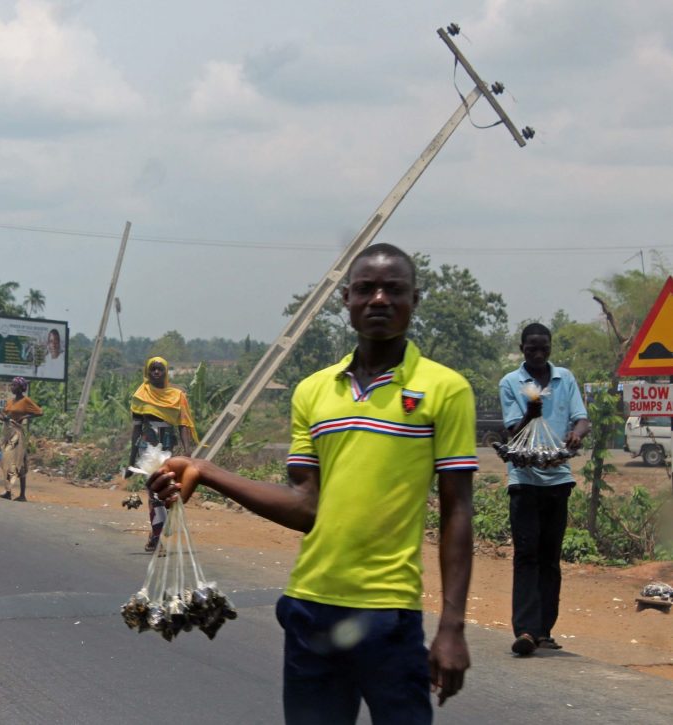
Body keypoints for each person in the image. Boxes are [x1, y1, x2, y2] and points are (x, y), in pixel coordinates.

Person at [148, 243, 476, 724]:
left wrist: (452, 625)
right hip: (310, 612)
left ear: (415, 299)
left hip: (389, 615)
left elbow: (458, 511)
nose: (379, 299)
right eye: (366, 289)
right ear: (346, 299)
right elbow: (306, 507)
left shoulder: (445, 389)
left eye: (394, 289)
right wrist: (206, 471)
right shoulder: (314, 391)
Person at [499, 323, 590, 656]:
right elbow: (513, 434)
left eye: (544, 349)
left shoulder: (564, 378)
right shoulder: (511, 382)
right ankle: (525, 629)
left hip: (558, 478)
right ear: (522, 348)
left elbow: (581, 418)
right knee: (526, 554)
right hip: (524, 480)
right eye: (531, 349)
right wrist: (530, 414)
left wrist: (577, 434)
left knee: (551, 558)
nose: (538, 355)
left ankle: (544, 630)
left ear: (550, 348)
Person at [125, 356, 196, 552]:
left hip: (167, 446)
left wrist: (188, 451)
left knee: (165, 491)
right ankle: (157, 539)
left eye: (160, 369)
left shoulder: (177, 396)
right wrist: (131, 462)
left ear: (165, 372)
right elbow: (136, 430)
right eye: (153, 369)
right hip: (147, 447)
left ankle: (155, 534)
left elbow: (183, 424)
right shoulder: (141, 394)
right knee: (155, 491)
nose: (156, 372)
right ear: (148, 372)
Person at [0, 376, 43, 501]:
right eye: (11, 385)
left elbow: (39, 412)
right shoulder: (10, 402)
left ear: (20, 388)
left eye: (14, 385)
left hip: (17, 434)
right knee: (7, 462)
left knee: (18, 462)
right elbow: (5, 418)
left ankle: (22, 494)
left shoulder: (25, 401)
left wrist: (24, 416)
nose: (11, 387)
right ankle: (8, 491)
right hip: (7, 433)